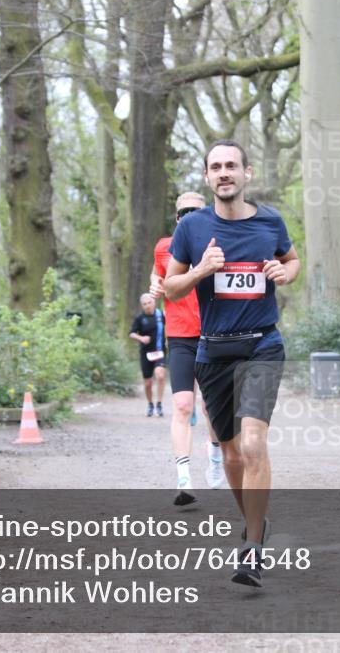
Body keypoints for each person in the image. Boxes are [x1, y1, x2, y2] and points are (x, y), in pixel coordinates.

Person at [164, 139, 300, 588]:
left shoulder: (269, 221)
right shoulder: (193, 229)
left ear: (247, 173)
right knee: (230, 454)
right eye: (215, 167)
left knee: (254, 445)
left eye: (231, 166)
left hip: (262, 344)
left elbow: (291, 259)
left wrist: (285, 272)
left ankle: (254, 548)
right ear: (207, 177)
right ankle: (255, 526)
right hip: (213, 350)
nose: (224, 173)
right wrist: (201, 269)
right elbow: (171, 290)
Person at [149, 192, 225, 507]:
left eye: (196, 211)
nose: (189, 217)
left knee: (211, 409)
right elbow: (157, 274)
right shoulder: (164, 246)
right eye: (184, 213)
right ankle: (184, 479)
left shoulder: (218, 245)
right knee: (182, 405)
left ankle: (216, 454)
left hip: (212, 334)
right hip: (180, 335)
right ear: (177, 218)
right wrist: (154, 285)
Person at [129, 293, 167, 418]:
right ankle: (150, 404)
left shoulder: (161, 315)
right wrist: (141, 338)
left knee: (160, 375)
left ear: (154, 302)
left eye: (149, 303)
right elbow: (132, 333)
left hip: (160, 351)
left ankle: (159, 404)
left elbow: (172, 326)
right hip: (146, 353)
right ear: (142, 306)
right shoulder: (140, 318)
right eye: (144, 304)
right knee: (148, 383)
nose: (147, 306)